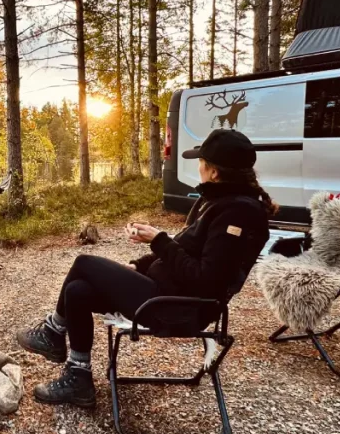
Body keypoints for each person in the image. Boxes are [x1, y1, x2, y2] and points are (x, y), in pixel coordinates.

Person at [16, 129, 276, 407]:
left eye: (202, 161)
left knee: (84, 263)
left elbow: (205, 280)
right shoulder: (216, 202)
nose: (197, 166)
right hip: (164, 292)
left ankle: (53, 331)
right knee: (79, 289)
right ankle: (78, 377)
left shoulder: (238, 213)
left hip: (179, 308)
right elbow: (183, 249)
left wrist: (158, 239)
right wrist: (137, 265)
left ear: (214, 172)